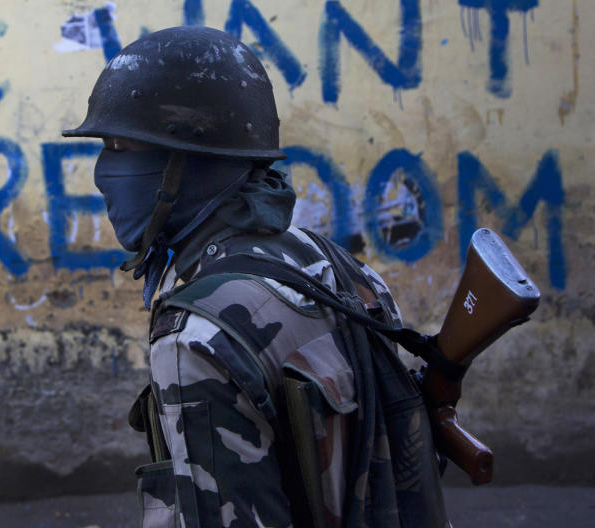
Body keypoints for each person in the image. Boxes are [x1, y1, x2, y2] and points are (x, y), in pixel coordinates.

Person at [63, 26, 450, 528]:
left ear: (193, 165)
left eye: (124, 147)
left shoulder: (197, 337)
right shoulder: (335, 264)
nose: (102, 171)